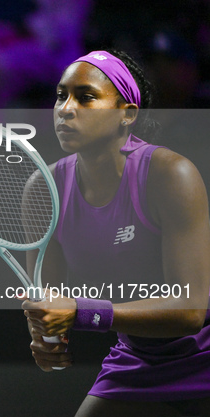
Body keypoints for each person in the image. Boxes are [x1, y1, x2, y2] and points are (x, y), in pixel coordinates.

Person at [22, 50, 210, 416]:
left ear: (127, 114)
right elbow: (50, 300)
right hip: (138, 358)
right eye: (61, 95)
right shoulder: (44, 190)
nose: (66, 108)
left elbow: (190, 311)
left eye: (86, 97)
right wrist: (45, 338)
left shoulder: (170, 175)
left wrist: (81, 313)